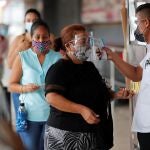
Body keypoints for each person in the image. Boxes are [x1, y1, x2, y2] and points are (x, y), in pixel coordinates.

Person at [44, 24, 132, 150]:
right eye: (83, 41)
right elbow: (52, 97)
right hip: (64, 136)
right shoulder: (59, 69)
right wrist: (81, 110)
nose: (88, 45)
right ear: (69, 45)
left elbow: (99, 93)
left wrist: (116, 94)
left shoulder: (89, 67)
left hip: (91, 136)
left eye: (88, 40)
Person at [102, 3, 150, 150]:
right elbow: (136, 74)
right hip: (144, 125)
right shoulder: (149, 49)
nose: (137, 27)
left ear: (146, 23)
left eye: (137, 22)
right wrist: (113, 57)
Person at [9, 20, 61, 150]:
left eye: (44, 37)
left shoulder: (58, 58)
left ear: (50, 37)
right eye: (37, 37)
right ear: (31, 38)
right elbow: (11, 85)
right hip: (29, 116)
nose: (41, 40)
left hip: (53, 115)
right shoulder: (22, 57)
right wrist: (24, 88)